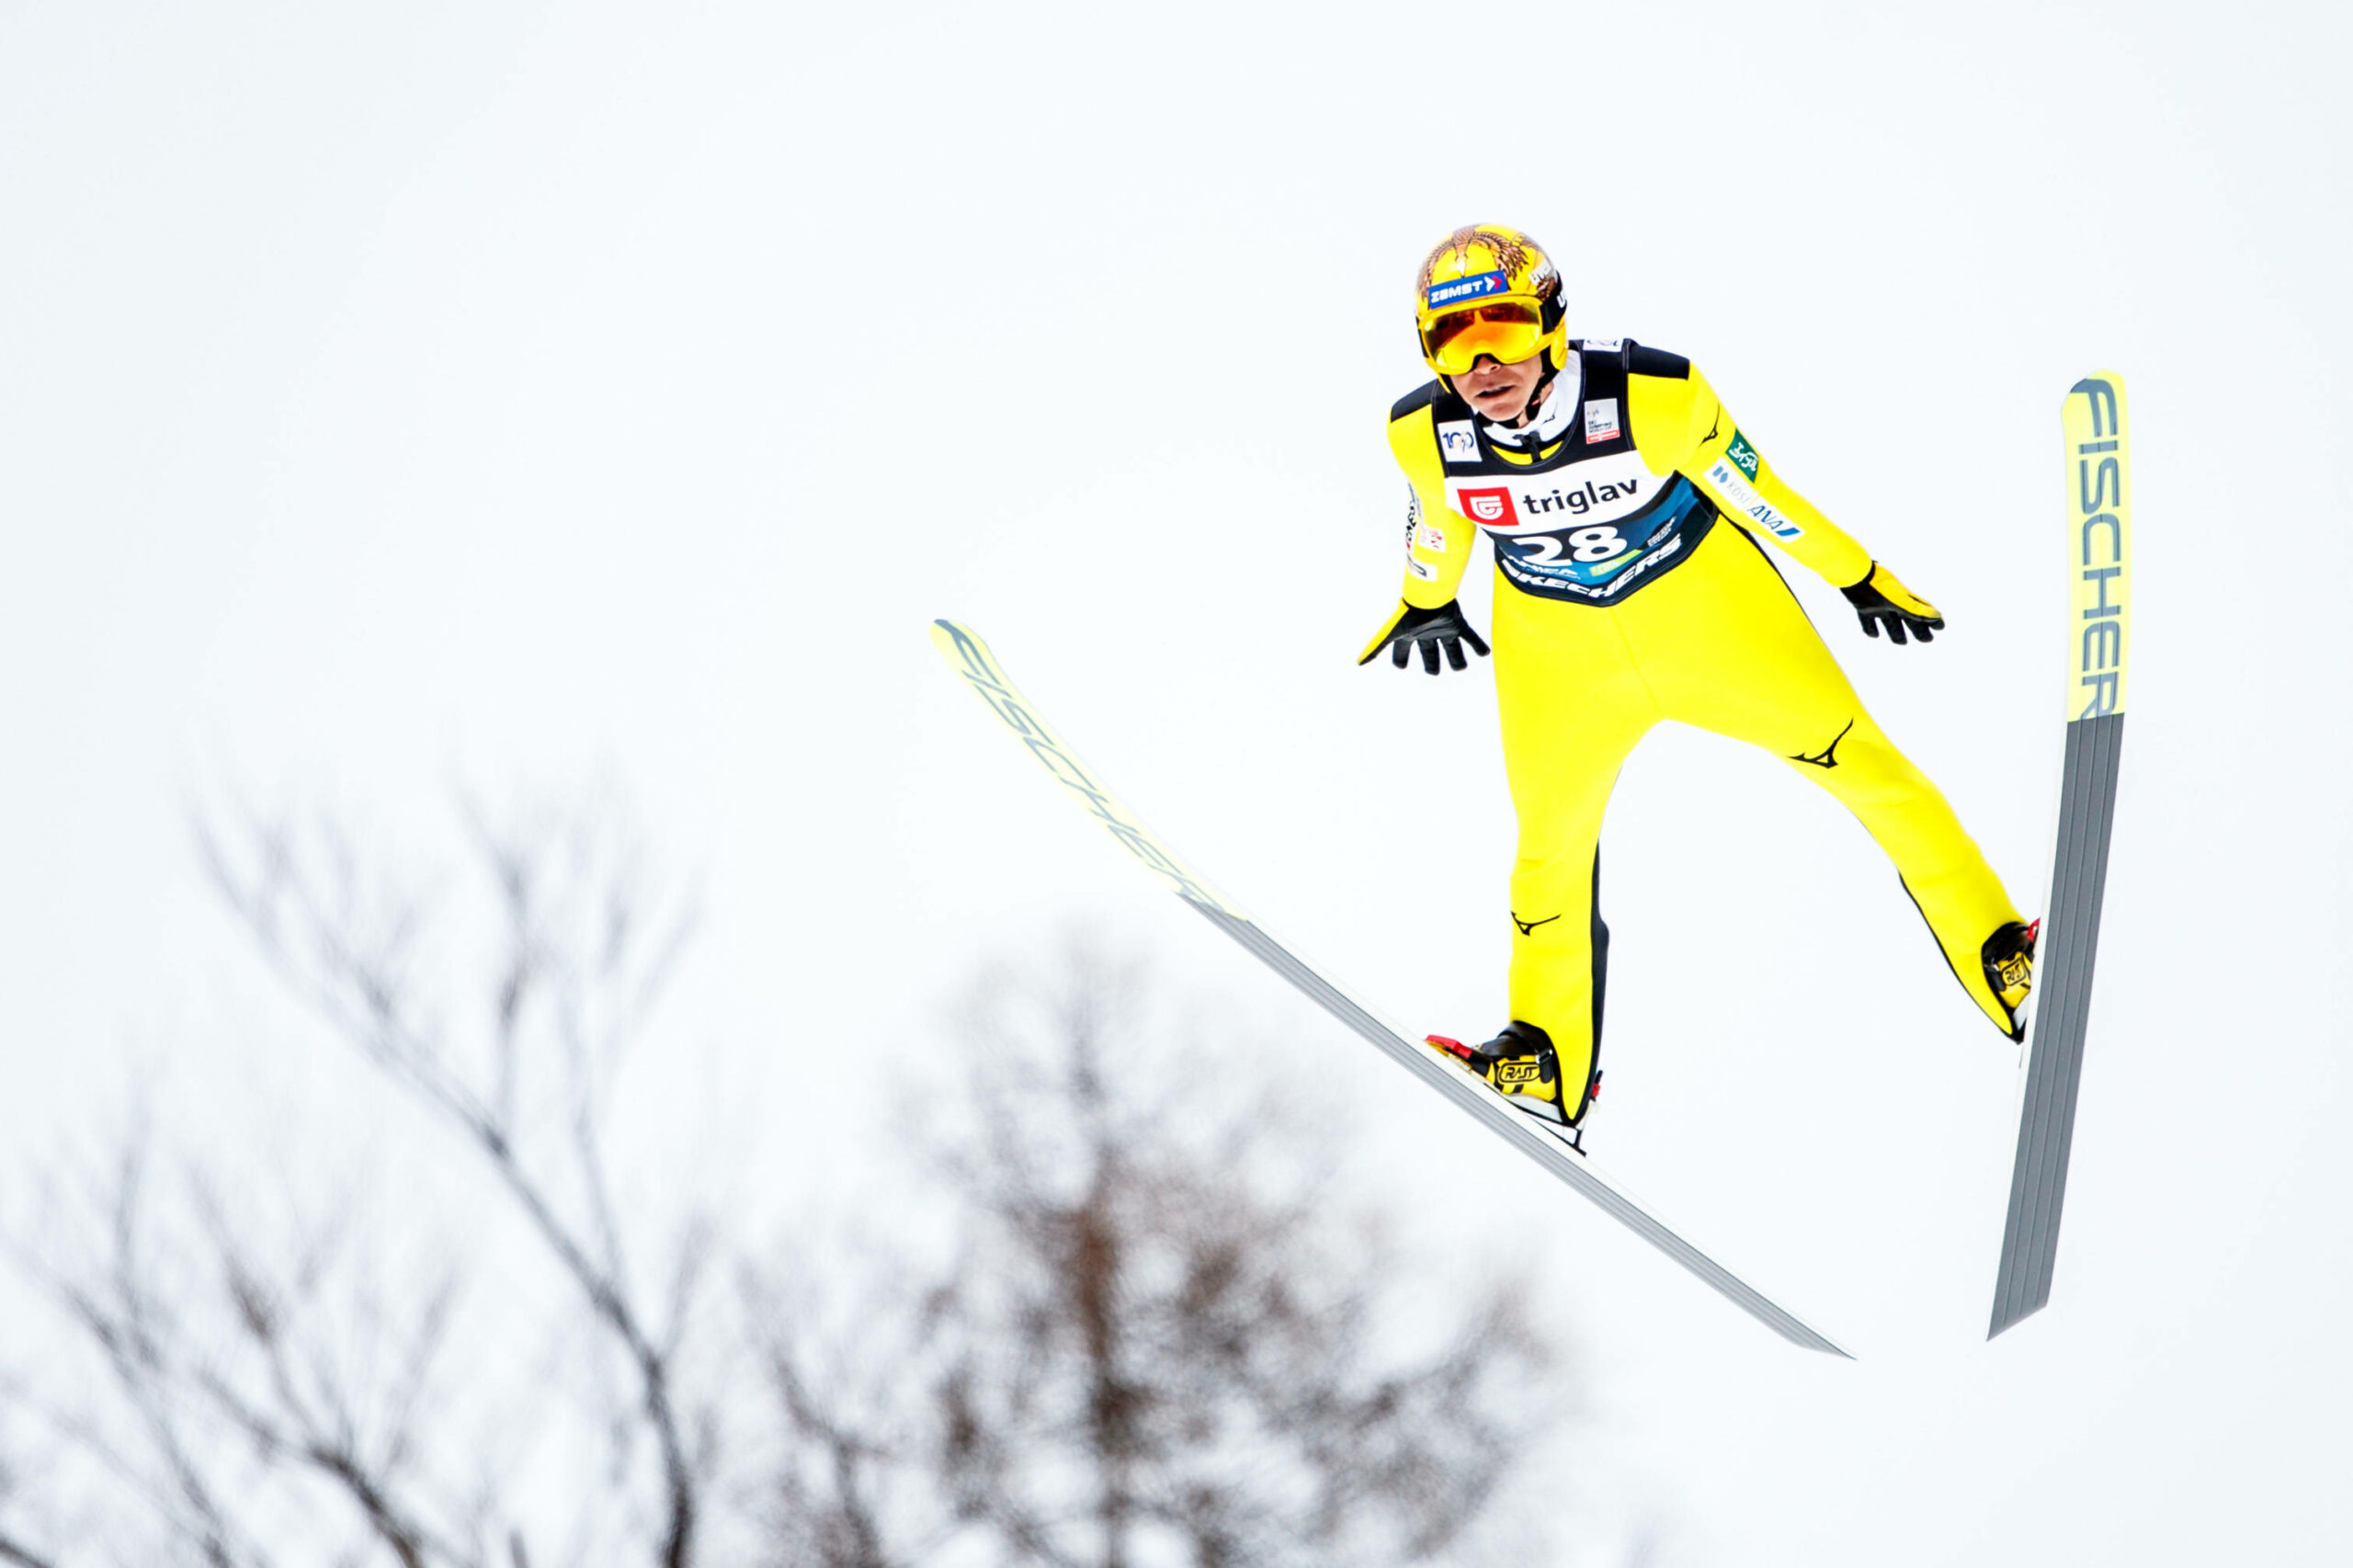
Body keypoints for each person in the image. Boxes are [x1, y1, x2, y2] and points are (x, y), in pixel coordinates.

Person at [1362, 222, 2035, 1138]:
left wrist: (1854, 575)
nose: (1483, 362)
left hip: (1709, 619)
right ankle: (1546, 1056)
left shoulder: (1653, 395)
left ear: (1551, 326)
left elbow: (1761, 494)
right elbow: (1437, 527)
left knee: (1863, 766)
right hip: (1560, 655)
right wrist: (1423, 600)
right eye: (1452, 341)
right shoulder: (1423, 432)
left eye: (1505, 330)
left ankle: (1998, 948)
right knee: (1545, 852)